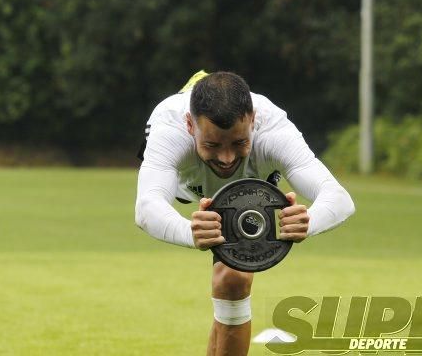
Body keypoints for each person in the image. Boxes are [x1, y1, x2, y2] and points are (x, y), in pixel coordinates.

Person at [135, 71, 355, 356]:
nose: (226, 158)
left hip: (250, 182)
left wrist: (306, 222)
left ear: (253, 121)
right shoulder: (171, 129)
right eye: (212, 145)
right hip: (188, 182)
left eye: (239, 142)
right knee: (231, 277)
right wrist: (192, 232)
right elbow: (146, 207)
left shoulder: (273, 131)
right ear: (190, 125)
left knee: (234, 279)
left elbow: (339, 198)